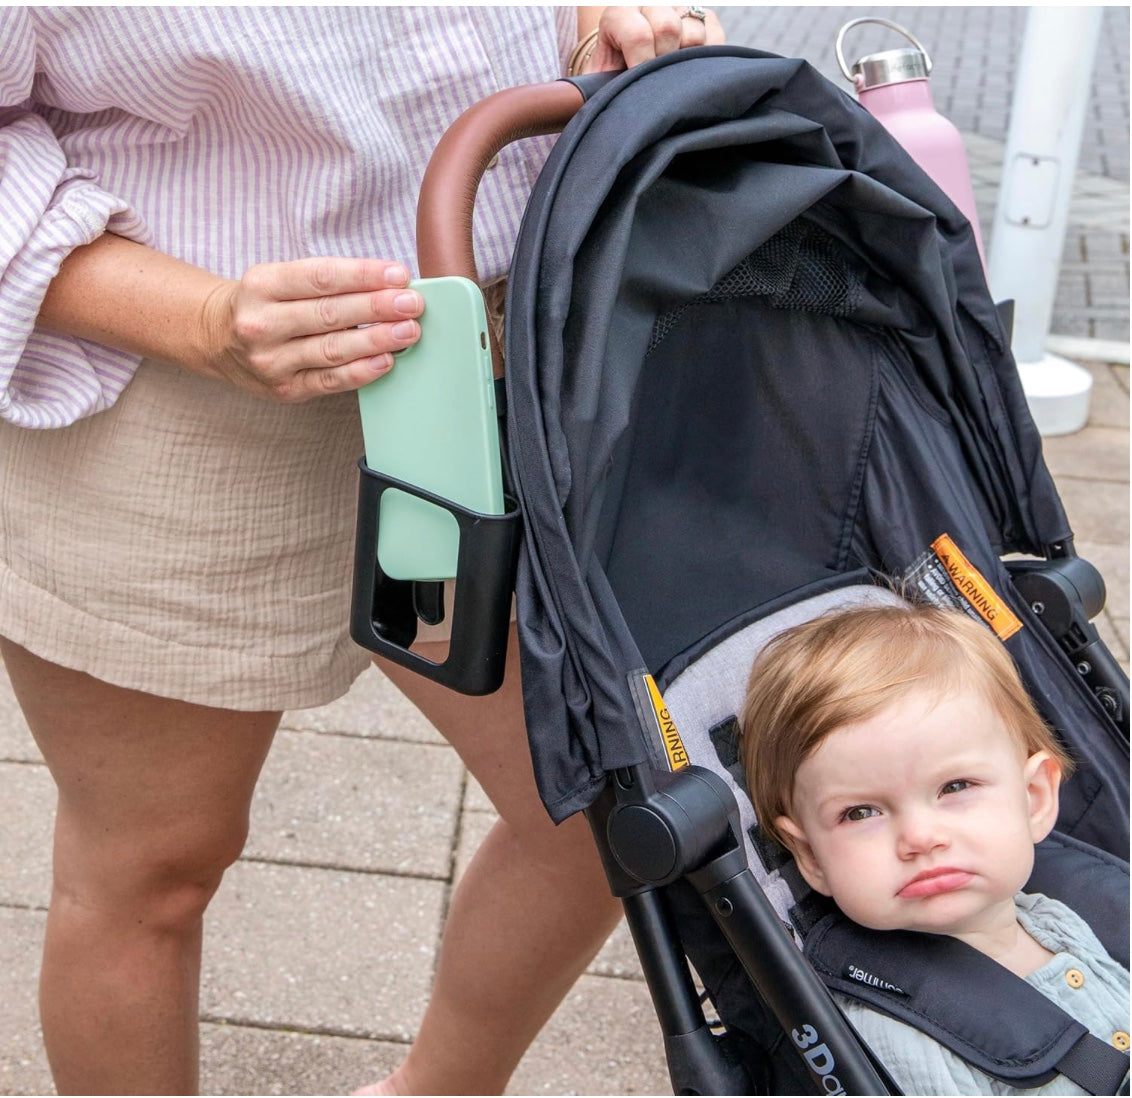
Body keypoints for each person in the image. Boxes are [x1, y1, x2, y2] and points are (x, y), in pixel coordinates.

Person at [0, 6, 725, 1096]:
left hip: (503, 348)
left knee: (604, 807)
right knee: (151, 869)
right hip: (172, 374)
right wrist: (203, 321)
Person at [738, 603, 1130, 1096]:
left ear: (1032, 799)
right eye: (861, 813)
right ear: (810, 856)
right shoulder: (899, 1041)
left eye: (955, 786)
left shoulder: (1053, 921)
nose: (921, 838)